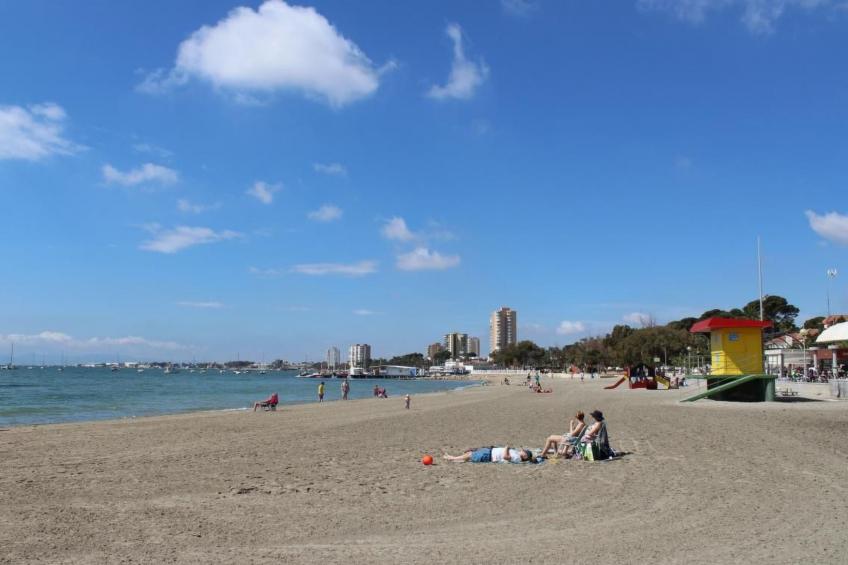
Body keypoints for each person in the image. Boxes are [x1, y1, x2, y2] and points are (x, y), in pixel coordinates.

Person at [443, 445, 536, 463]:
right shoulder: (517, 454)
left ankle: (452, 458)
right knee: (470, 454)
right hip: (490, 452)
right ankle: (455, 458)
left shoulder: (517, 457)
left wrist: (507, 448)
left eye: (523, 451)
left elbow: (505, 457)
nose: (522, 450)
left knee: (470, 455)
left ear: (525, 455)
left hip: (489, 455)